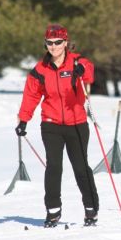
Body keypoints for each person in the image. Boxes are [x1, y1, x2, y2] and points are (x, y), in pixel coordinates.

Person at [15, 24, 99, 227]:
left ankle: (91, 208)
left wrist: (81, 71)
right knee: (54, 167)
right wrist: (23, 119)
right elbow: (31, 95)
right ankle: (53, 210)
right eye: (50, 43)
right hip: (51, 124)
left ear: (66, 43)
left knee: (80, 166)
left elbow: (89, 72)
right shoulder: (40, 69)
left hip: (77, 123)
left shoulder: (77, 62)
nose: (53, 47)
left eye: (58, 42)